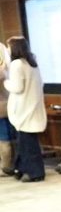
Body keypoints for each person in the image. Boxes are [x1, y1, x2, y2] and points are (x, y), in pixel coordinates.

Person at [3, 36, 46, 182]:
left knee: (28, 145)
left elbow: (17, 87)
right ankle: (19, 168)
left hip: (23, 110)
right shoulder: (32, 63)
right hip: (33, 108)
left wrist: (5, 82)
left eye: (9, 47)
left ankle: (36, 173)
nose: (7, 51)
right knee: (24, 142)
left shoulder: (17, 65)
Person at [0, 42, 15, 176]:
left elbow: (2, 74)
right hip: (8, 102)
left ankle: (6, 166)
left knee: (4, 138)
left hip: (3, 104)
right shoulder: (3, 48)